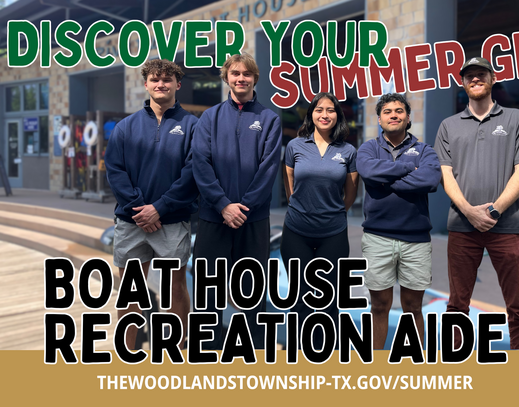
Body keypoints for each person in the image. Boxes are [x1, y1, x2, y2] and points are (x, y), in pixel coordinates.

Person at [434, 57, 519, 349]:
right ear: (462, 82)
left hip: (506, 225)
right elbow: (446, 174)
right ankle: (455, 367)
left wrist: (494, 210)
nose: (475, 79)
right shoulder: (448, 126)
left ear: (492, 79)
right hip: (462, 226)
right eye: (469, 75)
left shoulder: (516, 119)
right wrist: (470, 212)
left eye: (481, 74)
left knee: (517, 306)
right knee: (457, 304)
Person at [105, 59, 199, 349]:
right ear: (146, 84)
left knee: (176, 286)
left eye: (167, 80)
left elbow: (194, 171)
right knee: (132, 290)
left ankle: (178, 347)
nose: (161, 84)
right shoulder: (125, 127)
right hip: (132, 221)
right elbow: (115, 170)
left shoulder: (193, 126)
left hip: (171, 220)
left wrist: (160, 208)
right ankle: (129, 349)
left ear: (177, 85)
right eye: (155, 80)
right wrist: (140, 208)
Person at [193, 53, 282, 349]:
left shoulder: (269, 119)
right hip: (213, 216)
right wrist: (222, 204)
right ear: (227, 78)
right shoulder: (210, 117)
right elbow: (201, 163)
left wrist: (243, 207)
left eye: (246, 73)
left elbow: (269, 168)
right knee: (209, 290)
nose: (240, 78)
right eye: (235, 73)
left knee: (253, 291)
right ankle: (208, 347)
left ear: (255, 78)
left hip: (252, 219)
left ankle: (254, 348)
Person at [357, 93, 441, 350]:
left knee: (413, 307)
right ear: (380, 119)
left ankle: (413, 362)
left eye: (399, 111)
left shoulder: (425, 150)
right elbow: (368, 171)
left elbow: (430, 181)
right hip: (377, 238)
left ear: (407, 118)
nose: (394, 115)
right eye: (388, 111)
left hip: (415, 241)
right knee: (379, 306)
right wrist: (407, 168)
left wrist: (386, 176)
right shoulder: (368, 148)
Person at [280, 92, 359, 348]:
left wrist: (332, 212)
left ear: (338, 116)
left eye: (331, 110)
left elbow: (351, 192)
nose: (325, 115)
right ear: (311, 114)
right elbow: (289, 183)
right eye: (319, 109)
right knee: (300, 299)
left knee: (329, 300)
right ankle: (301, 355)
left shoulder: (348, 151)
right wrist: (301, 209)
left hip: (333, 234)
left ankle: (327, 356)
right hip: (296, 232)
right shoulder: (295, 146)